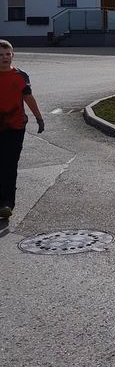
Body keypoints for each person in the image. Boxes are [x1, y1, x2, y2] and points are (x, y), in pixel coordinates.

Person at [0, 39, 44, 229]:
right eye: (0, 55)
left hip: (15, 127)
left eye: (7, 54)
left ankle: (7, 203)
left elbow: (28, 97)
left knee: (10, 164)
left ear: (13, 55)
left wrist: (39, 118)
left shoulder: (20, 76)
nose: (4, 58)